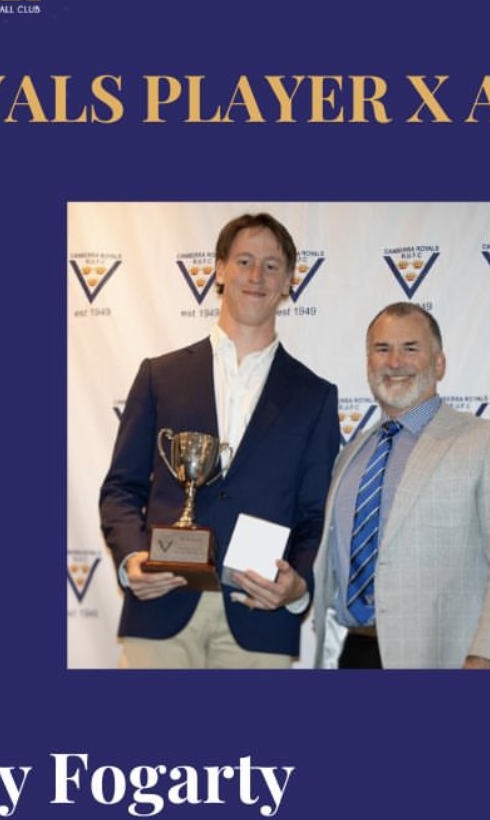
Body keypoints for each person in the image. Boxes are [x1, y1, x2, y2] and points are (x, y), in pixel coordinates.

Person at [100, 212, 339, 668]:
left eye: (272, 266)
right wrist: (132, 558)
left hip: (259, 617)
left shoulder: (315, 396)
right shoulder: (160, 376)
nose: (256, 275)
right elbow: (121, 488)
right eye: (244, 261)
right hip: (162, 603)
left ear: (289, 281)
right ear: (219, 270)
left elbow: (315, 516)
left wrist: (298, 585)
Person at [313, 302, 490, 669]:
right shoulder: (350, 456)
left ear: (439, 363)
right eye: (382, 349)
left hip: (447, 659)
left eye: (410, 348)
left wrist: (487, 658)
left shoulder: (489, 439)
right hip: (352, 653)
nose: (394, 362)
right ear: (369, 363)